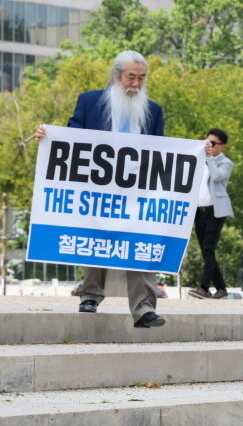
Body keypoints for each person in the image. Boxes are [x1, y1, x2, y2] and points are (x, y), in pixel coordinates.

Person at [35, 51, 166, 328]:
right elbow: (72, 136)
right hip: (97, 188)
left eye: (142, 78)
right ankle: (91, 295)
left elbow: (165, 151)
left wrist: (197, 152)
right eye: (131, 77)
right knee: (96, 238)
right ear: (116, 75)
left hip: (137, 191)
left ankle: (144, 309)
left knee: (141, 243)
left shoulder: (153, 111)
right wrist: (49, 137)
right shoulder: (90, 101)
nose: (136, 84)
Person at [188, 128, 234, 300]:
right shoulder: (199, 160)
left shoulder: (225, 163)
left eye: (213, 144)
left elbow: (216, 176)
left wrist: (209, 158)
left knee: (208, 247)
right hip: (199, 211)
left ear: (222, 146)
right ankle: (221, 288)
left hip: (216, 210)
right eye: (207, 142)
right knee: (206, 250)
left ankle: (204, 287)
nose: (209, 146)